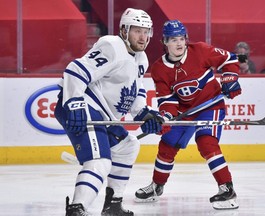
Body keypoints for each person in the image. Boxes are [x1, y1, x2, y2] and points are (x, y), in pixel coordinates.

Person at [54, 8, 164, 216]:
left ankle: (113, 205)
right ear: (124, 30)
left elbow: (135, 91)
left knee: (128, 146)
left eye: (146, 31)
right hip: (84, 105)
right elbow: (76, 70)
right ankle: (77, 209)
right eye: (137, 31)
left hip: (102, 115)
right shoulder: (112, 45)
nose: (143, 37)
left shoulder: (141, 59)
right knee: (99, 161)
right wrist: (74, 102)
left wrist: (143, 113)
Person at [134, 20, 242, 210]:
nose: (179, 43)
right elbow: (167, 101)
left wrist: (230, 78)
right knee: (167, 145)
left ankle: (227, 189)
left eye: (182, 39)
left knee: (206, 142)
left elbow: (230, 59)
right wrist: (166, 118)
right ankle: (157, 187)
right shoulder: (159, 68)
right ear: (164, 42)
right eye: (173, 39)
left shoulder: (200, 50)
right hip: (184, 113)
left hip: (211, 106)